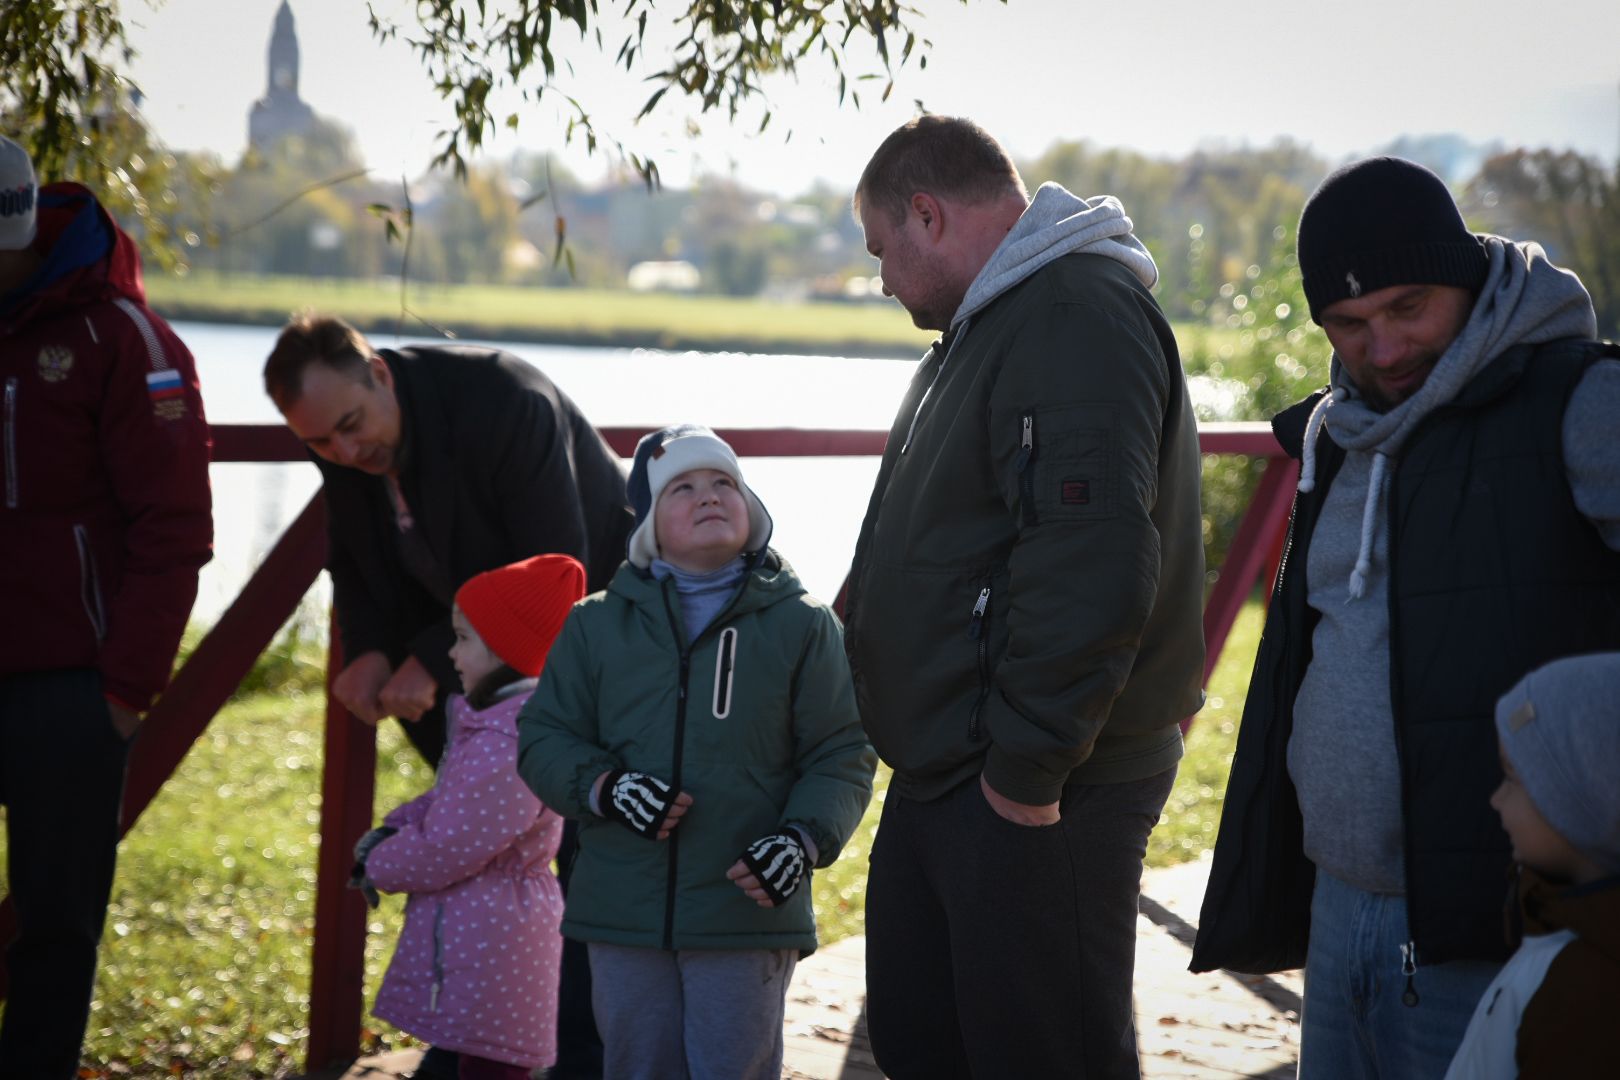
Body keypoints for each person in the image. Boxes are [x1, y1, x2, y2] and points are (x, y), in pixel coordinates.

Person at [1191, 156, 1620, 1077]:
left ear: (1465, 278)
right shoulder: (1336, 433)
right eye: (1349, 325)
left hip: (1502, 919)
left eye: (1408, 308)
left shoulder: (1581, 402)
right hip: (1339, 906)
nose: (1382, 349)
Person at [843, 115, 1207, 1077]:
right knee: (933, 1040)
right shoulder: (998, 321)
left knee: (1041, 1053)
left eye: (882, 250)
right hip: (958, 762)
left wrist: (1026, 773)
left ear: (927, 213)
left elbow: (1089, 560)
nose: (881, 278)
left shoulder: (1073, 314)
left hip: (1037, 777)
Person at [262, 314, 624, 1077]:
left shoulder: (505, 402)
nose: (346, 453)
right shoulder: (348, 441)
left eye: (352, 426)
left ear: (381, 374)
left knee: (583, 862)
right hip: (480, 674)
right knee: (493, 859)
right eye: (321, 444)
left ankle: (578, 1054)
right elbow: (353, 554)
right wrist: (366, 648)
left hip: (598, 650)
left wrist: (428, 656)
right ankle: (485, 1037)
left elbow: (554, 569)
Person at [517, 424, 876, 1080]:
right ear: (651, 523)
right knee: (636, 1066)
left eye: (725, 482)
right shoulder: (595, 625)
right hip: (622, 909)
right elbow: (544, 738)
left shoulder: (803, 624)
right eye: (683, 486)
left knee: (731, 1069)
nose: (710, 495)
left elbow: (841, 751)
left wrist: (801, 840)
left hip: (747, 909)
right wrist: (605, 787)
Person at [0, 135, 213, 1077]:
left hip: (71, 683)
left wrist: (125, 688)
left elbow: (174, 526)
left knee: (55, 920)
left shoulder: (121, 337)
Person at [351, 553, 587, 1080]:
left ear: (505, 648)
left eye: (463, 638)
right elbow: (449, 807)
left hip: (497, 940)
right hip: (484, 929)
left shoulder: (509, 741)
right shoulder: (495, 724)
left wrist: (381, 861)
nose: (451, 652)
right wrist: (395, 826)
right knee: (473, 1059)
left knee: (491, 1066)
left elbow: (450, 845)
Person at [1443, 652, 1620, 1080]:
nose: (1496, 799)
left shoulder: (1588, 995)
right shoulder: (1548, 913)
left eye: (1513, 779)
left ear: (1581, 803)